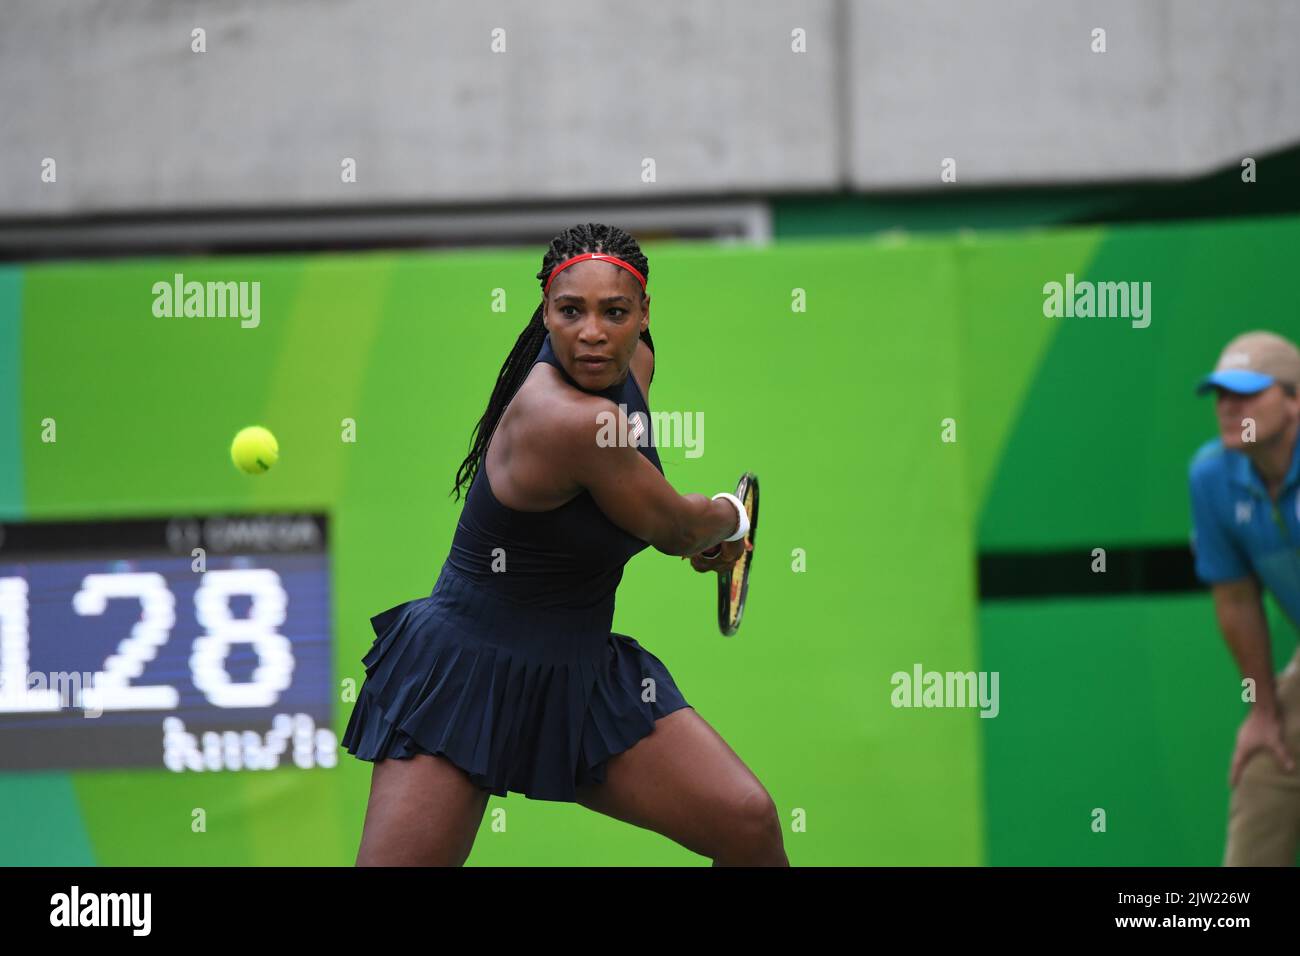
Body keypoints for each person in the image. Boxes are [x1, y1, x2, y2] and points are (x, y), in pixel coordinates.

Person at [341, 222, 788, 866]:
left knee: (748, 824)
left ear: (643, 315)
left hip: (583, 674)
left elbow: (638, 505)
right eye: (570, 311)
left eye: (615, 312)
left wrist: (690, 534)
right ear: (545, 312)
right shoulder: (568, 421)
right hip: (466, 671)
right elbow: (676, 528)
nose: (592, 333)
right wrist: (729, 518)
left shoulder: (636, 364)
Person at [1189, 330, 1300, 866]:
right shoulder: (1211, 477)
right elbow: (1235, 600)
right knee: (1263, 769)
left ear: (1294, 400)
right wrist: (1262, 710)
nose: (1229, 408)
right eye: (1220, 396)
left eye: (1247, 393)